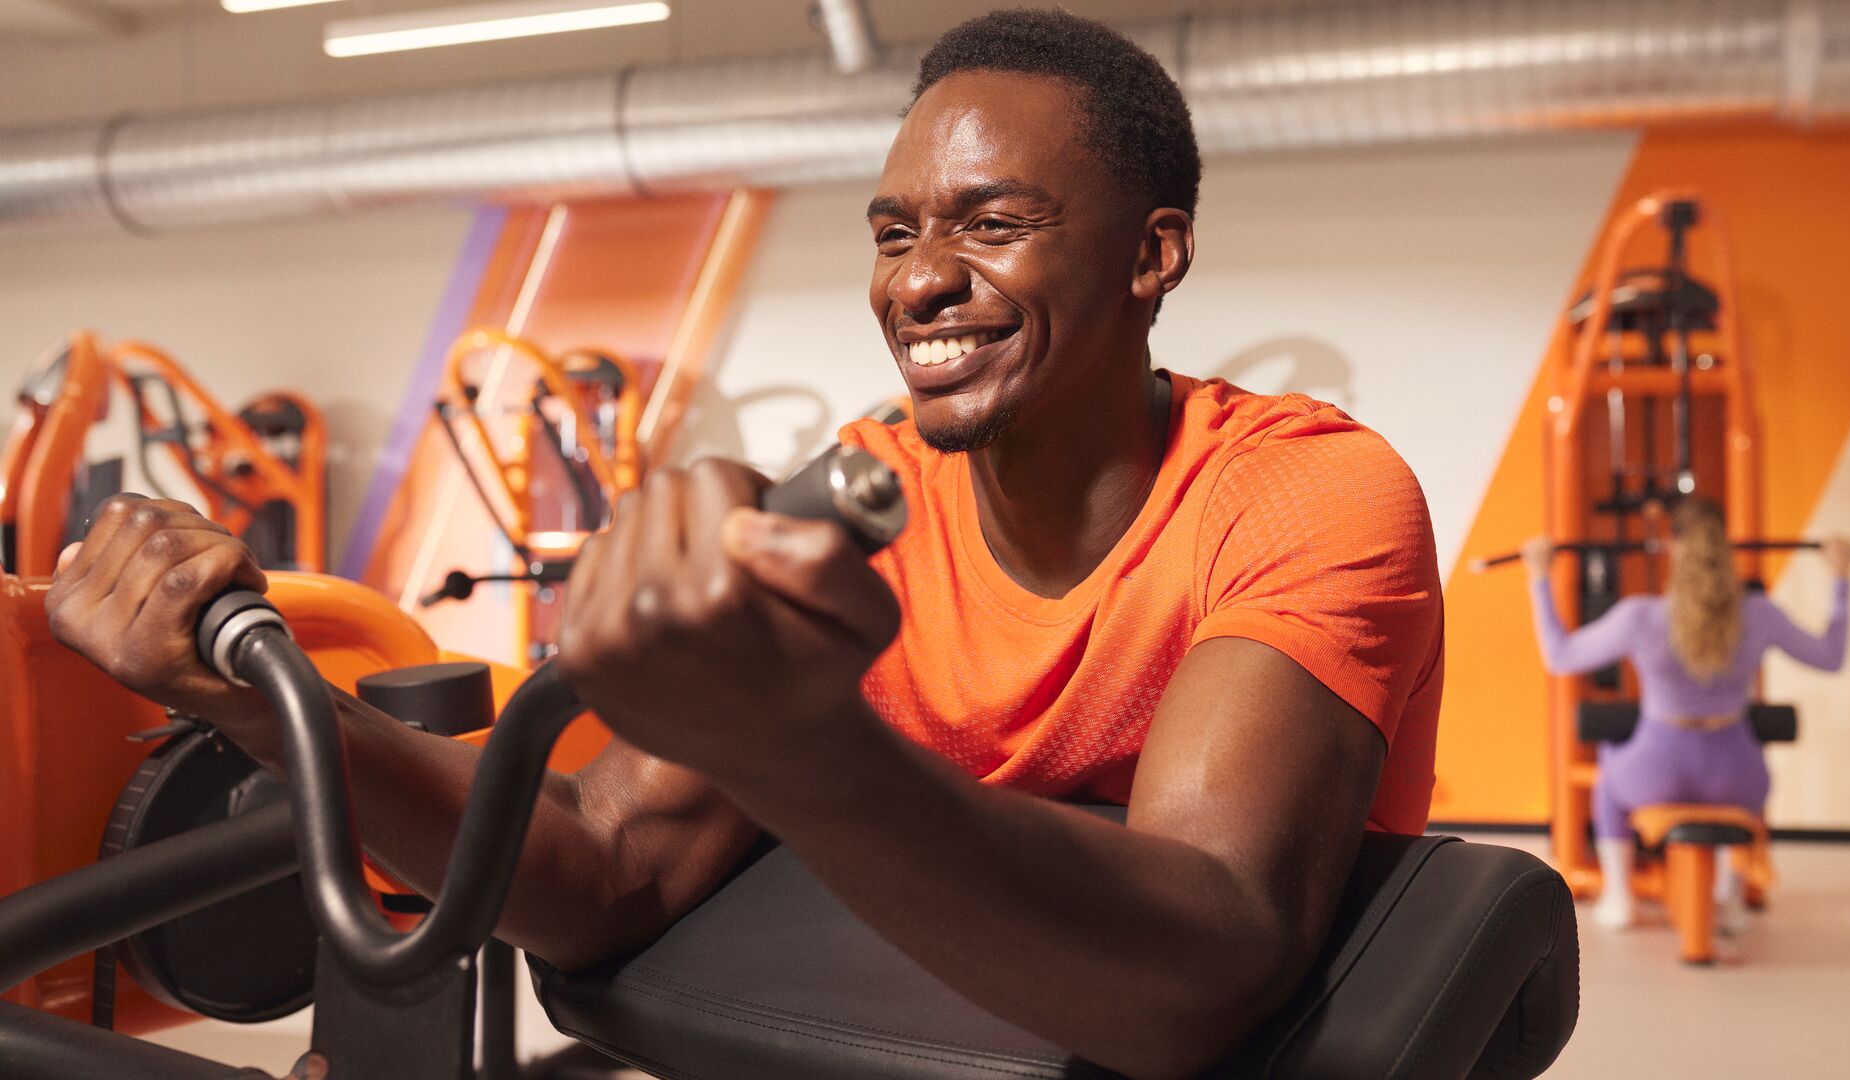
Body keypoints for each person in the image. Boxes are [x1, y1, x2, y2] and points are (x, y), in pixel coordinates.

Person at [42, 11, 1442, 1077]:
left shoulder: (1303, 493)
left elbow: (1201, 969)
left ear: (1153, 257)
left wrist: (798, 748)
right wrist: (241, 695)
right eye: (895, 232)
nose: (922, 279)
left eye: (993, 223)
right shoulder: (864, 493)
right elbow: (606, 866)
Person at [1521, 498, 1850, 933]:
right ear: (1727, 547)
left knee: (1608, 776)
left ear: (1673, 546)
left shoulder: (1640, 616)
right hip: (1737, 777)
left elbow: (1560, 656)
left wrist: (1539, 579)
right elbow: (1830, 657)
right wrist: (1841, 579)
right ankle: (1732, 897)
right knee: (1754, 781)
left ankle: (1620, 898)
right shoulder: (1759, 614)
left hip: (1656, 772)